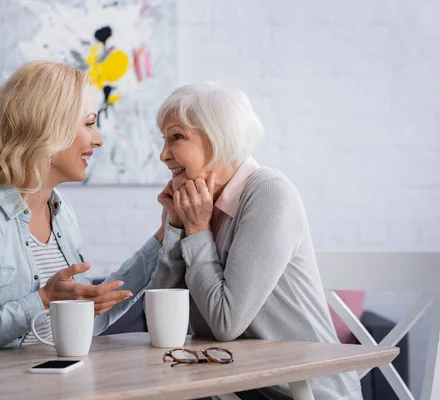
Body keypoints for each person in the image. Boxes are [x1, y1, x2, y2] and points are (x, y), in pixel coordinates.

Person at [0, 61, 163, 351]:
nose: (98, 139)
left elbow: (81, 322)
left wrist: (165, 233)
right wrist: (42, 300)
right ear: (47, 127)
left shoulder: (62, 212)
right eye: (88, 124)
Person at [149, 82, 362, 400]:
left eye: (176, 137)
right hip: (238, 391)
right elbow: (162, 321)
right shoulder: (199, 207)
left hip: (306, 392)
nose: (164, 155)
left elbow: (225, 322)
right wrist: (177, 227)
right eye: (164, 140)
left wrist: (196, 229)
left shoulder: (269, 193)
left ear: (217, 138)